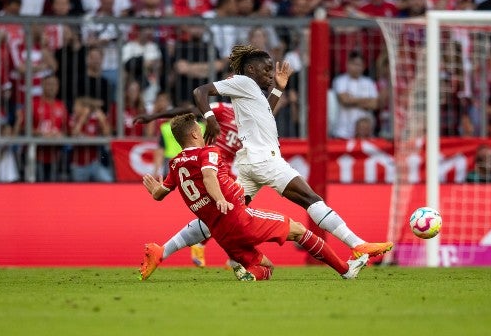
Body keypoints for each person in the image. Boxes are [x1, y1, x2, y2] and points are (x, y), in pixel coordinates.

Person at [193, 44, 393, 259]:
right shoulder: (243, 82)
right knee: (311, 199)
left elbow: (266, 112)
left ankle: (164, 250)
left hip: (250, 162)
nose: (270, 75)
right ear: (251, 69)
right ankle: (357, 244)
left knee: (224, 213)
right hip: (264, 161)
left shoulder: (251, 91)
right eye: (266, 70)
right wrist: (210, 119)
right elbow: (200, 91)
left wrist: (279, 88)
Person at [140, 113, 369, 281]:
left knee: (265, 267)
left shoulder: (175, 163)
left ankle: (250, 275)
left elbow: (161, 194)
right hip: (237, 217)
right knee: (299, 230)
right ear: (194, 133)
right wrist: (219, 198)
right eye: (200, 131)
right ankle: (346, 270)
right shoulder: (208, 152)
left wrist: (155, 192)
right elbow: (209, 176)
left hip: (220, 233)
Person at [134, 100, 240, 268]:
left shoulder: (253, 118)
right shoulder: (223, 109)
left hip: (230, 168)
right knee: (231, 211)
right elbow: (189, 111)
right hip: (210, 165)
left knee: (230, 213)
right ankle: (235, 257)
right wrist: (155, 116)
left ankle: (229, 255)